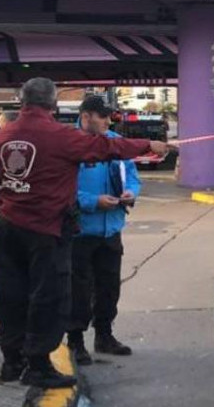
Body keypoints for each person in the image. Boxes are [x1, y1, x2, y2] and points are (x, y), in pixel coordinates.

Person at [0, 77, 167, 388]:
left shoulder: (4, 135)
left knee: (10, 295)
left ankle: (10, 361)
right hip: (45, 228)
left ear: (22, 101)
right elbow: (107, 147)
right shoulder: (58, 136)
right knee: (48, 297)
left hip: (7, 224)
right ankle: (38, 365)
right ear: (53, 104)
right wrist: (148, 145)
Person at [67, 95, 141, 364]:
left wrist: (131, 191)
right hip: (81, 231)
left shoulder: (114, 142)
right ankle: (75, 340)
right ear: (86, 117)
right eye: (104, 116)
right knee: (78, 290)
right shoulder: (71, 144)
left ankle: (104, 335)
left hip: (111, 230)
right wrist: (92, 202)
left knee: (109, 286)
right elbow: (64, 190)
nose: (109, 121)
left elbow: (131, 173)